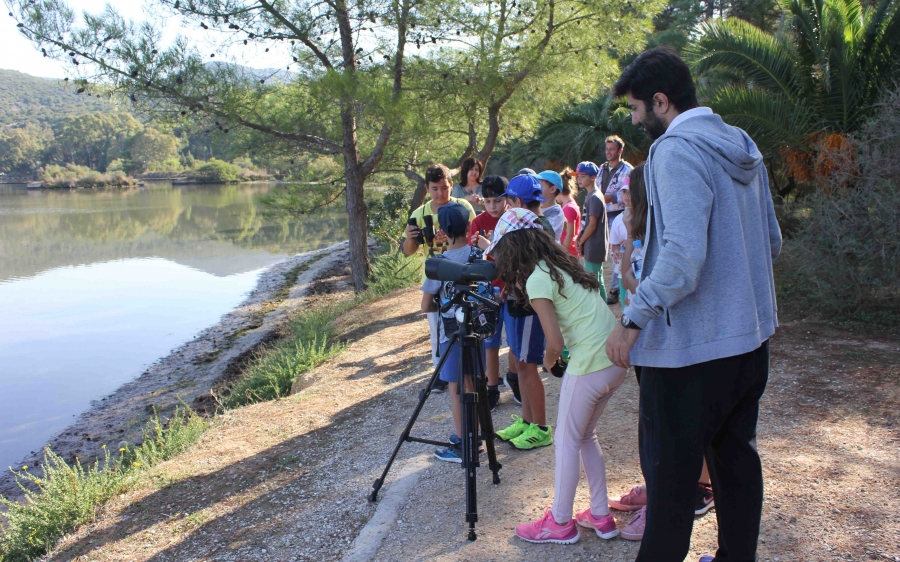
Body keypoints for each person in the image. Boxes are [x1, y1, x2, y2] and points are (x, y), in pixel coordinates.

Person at [606, 46, 782, 562]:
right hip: (749, 344)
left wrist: (632, 320)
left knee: (671, 490)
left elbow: (682, 257)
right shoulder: (742, 144)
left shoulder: (675, 151)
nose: (636, 120)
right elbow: (770, 241)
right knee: (736, 466)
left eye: (638, 109)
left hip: (690, 357)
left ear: (661, 101)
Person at [488, 226, 624, 545]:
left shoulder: (536, 278)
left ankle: (560, 522)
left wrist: (550, 360)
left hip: (589, 364)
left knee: (565, 441)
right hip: (613, 362)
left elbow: (555, 340)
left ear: (515, 254)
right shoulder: (563, 266)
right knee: (585, 435)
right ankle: (601, 515)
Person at [608, 163, 716, 542]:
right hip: (648, 345)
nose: (622, 200)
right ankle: (661, 490)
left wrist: (634, 291)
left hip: (666, 345)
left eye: (628, 195)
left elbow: (649, 283)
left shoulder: (666, 239)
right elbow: (625, 277)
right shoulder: (637, 236)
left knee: (671, 427)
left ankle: (687, 494)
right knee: (655, 424)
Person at [480, 204, 554, 451]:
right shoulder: (521, 266)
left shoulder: (534, 269)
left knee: (527, 366)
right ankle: (527, 421)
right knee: (522, 367)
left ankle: (541, 428)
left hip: (527, 314)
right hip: (516, 309)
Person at [422, 203, 490, 463]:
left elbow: (426, 305)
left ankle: (465, 444)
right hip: (477, 331)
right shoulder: (478, 255)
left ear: (443, 231)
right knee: (473, 382)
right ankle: (475, 436)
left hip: (450, 337)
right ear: (467, 227)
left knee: (457, 388)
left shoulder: (439, 264)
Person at [403, 163, 477, 393]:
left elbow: (474, 235)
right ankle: (442, 372)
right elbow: (408, 251)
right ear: (427, 189)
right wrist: (410, 236)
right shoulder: (419, 214)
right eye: (435, 189)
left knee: (466, 323)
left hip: (462, 274)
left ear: (451, 186)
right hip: (435, 277)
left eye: (444, 188)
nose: (440, 194)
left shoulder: (462, 207)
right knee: (437, 328)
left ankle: (468, 369)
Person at [468, 175, 518, 411]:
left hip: (512, 288)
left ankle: (515, 378)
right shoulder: (478, 222)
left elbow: (514, 256)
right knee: (491, 341)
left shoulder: (514, 219)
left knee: (515, 341)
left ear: (507, 199)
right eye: (487, 201)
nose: (492, 206)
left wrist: (488, 246)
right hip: (487, 291)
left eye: (497, 201)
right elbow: (474, 253)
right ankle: (492, 388)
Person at [599, 136, 633, 305]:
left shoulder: (627, 170)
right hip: (603, 213)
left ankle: (615, 289)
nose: (608, 152)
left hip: (619, 213)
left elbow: (627, 192)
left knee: (618, 252)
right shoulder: (602, 168)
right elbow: (597, 188)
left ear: (620, 151)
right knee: (608, 252)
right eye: (607, 149)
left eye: (612, 149)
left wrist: (609, 197)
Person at [572, 161, 609, 301]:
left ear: (593, 177)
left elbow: (592, 225)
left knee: (593, 282)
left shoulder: (594, 197)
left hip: (594, 245)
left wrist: (581, 241)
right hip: (592, 245)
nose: (579, 179)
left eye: (583, 176)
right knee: (597, 280)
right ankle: (604, 313)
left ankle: (601, 314)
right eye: (578, 176)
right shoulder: (591, 195)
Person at [556, 169, 580, 257]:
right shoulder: (566, 205)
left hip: (569, 252)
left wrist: (563, 250)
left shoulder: (569, 208)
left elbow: (570, 234)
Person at [536, 170, 565, 240]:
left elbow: (542, 233)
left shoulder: (556, 212)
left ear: (552, 189)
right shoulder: (538, 207)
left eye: (539, 185)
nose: (536, 188)